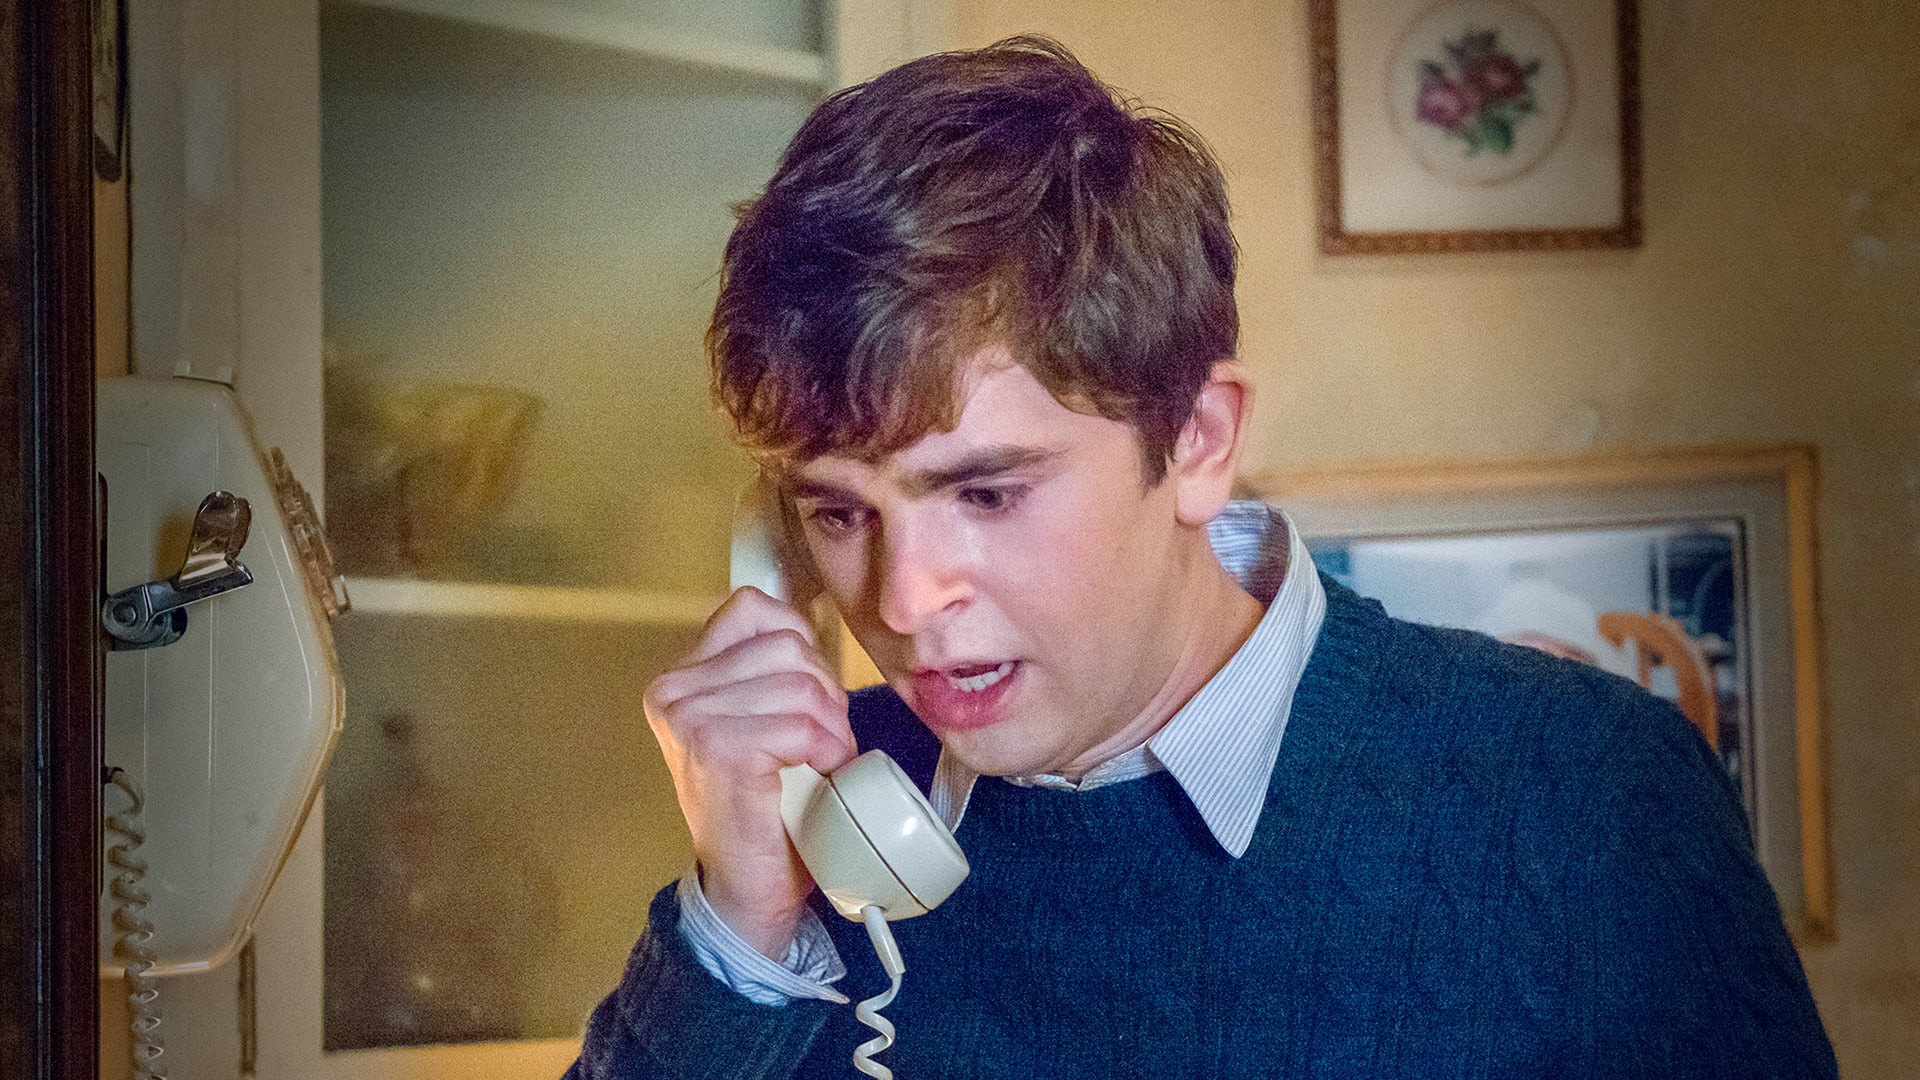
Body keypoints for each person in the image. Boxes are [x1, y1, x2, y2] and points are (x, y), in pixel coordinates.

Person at [568, 36, 1835, 1078]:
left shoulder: (1586, 794)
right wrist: (737, 933)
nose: (903, 604)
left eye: (989, 493)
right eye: (839, 515)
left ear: (1198, 440)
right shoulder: (817, 813)